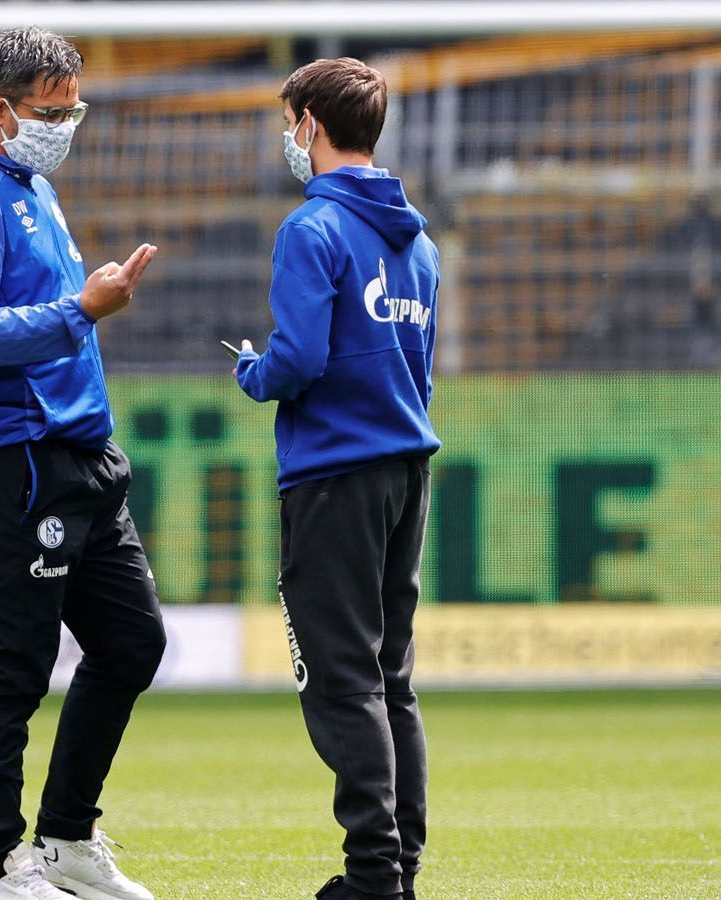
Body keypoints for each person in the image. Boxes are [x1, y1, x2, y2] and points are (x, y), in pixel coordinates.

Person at [0, 26, 165, 900]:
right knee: (13, 668)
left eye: (71, 109)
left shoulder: (31, 184)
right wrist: (81, 309)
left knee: (133, 642)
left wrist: (79, 306)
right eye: (50, 112)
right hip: (10, 457)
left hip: (80, 454)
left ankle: (65, 840)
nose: (65, 124)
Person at [232, 57, 440, 900]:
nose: (287, 137)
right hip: (404, 466)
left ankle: (371, 877)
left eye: (289, 122)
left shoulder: (311, 230)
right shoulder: (417, 238)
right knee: (391, 676)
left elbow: (302, 357)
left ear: (310, 124)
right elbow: (417, 366)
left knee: (341, 679)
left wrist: (253, 372)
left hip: (332, 475)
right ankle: (401, 867)